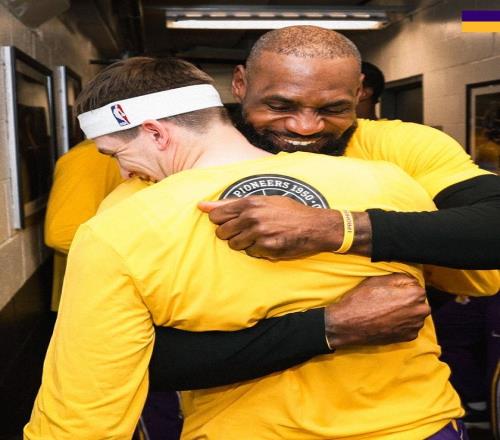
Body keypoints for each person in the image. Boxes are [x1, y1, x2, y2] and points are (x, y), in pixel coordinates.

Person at [25, 56, 474, 440]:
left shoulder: (120, 226)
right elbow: (477, 280)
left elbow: (85, 409)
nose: (124, 173)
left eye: (116, 154)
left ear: (156, 133)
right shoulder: (386, 180)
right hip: (415, 426)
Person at [204, 26, 500, 269]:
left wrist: (333, 228)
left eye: (333, 109)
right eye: (280, 106)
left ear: (358, 92)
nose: (306, 127)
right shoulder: (192, 153)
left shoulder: (401, 145)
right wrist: (326, 320)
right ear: (240, 84)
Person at [44, 139, 122, 311]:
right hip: (97, 303)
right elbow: (62, 234)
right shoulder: (89, 157)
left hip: (114, 298)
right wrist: (140, 259)